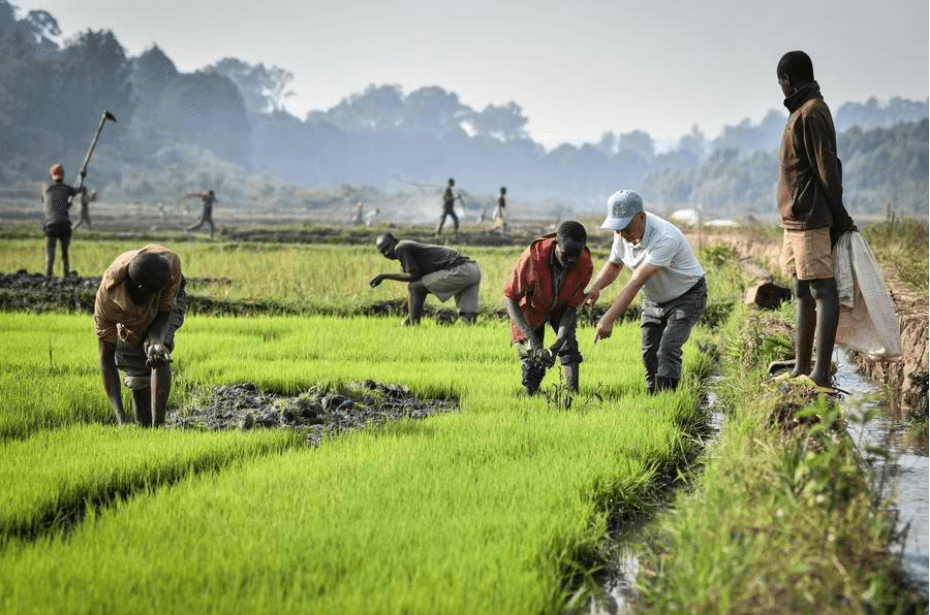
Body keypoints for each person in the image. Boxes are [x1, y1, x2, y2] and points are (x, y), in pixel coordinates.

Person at [773, 51, 855, 392]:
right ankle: (802, 366)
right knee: (801, 289)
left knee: (822, 289)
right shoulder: (801, 111)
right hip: (794, 220)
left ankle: (820, 373)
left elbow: (827, 170)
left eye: (781, 82)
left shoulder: (813, 112)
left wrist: (839, 216)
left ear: (788, 80)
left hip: (810, 217)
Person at [586, 190, 706, 394]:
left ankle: (668, 400)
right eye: (617, 228)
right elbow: (614, 265)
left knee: (667, 349)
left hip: (686, 296)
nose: (622, 233)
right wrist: (596, 287)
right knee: (649, 354)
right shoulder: (621, 236)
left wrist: (608, 318)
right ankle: (653, 397)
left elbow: (635, 281)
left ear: (641, 216)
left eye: (626, 227)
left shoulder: (664, 237)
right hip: (654, 299)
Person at [93, 245, 186, 427]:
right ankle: (143, 426)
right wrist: (121, 418)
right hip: (130, 310)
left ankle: (158, 427)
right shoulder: (108, 303)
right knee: (137, 370)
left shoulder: (169, 265)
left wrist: (156, 340)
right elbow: (106, 359)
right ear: (145, 290)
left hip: (159, 296)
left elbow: (165, 310)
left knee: (158, 352)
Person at [503, 220, 593, 395]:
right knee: (533, 360)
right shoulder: (533, 258)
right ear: (556, 245)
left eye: (577, 254)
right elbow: (510, 298)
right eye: (567, 254)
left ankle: (572, 396)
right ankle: (531, 396)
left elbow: (571, 307)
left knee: (569, 347)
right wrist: (531, 337)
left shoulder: (584, 264)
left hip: (561, 307)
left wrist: (559, 340)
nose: (572, 260)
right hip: (532, 308)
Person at [370, 233, 481, 325]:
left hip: (459, 270)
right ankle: (411, 322)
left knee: (414, 287)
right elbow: (420, 281)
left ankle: (413, 325)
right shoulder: (407, 255)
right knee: (468, 323)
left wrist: (384, 276)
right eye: (383, 251)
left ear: (395, 241)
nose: (387, 252)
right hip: (472, 269)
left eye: (387, 247)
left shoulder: (400, 247)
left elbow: (414, 277)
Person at [41, 163, 85, 278]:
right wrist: (81, 177)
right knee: (65, 253)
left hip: (50, 225)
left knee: (50, 254)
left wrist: (65, 205)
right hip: (64, 225)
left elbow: (49, 204)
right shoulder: (66, 188)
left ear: (51, 175)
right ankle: (66, 274)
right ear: (63, 176)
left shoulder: (45, 188)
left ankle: (48, 276)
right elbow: (78, 190)